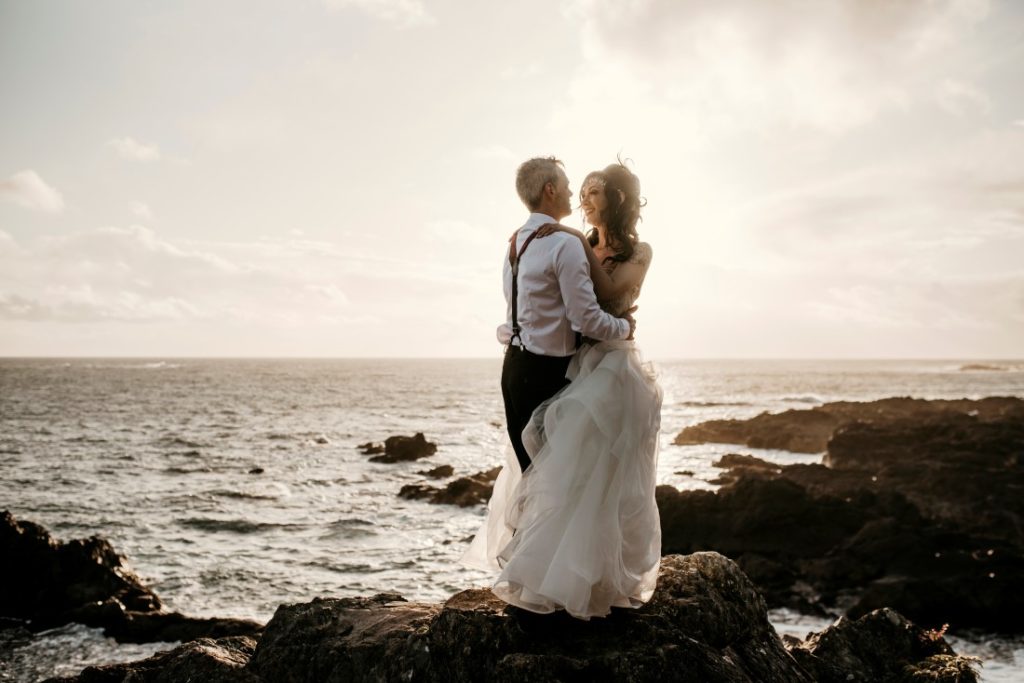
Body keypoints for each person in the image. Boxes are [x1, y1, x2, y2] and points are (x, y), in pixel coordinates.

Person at [463, 160, 662, 620]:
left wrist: (567, 238)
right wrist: (569, 237)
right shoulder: (572, 242)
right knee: (563, 475)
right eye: (581, 189)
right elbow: (581, 309)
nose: (583, 198)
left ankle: (596, 578)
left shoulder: (630, 249)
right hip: (574, 366)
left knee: (605, 478)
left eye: (594, 192)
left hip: (610, 368)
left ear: (615, 199)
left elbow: (613, 286)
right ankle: (549, 579)